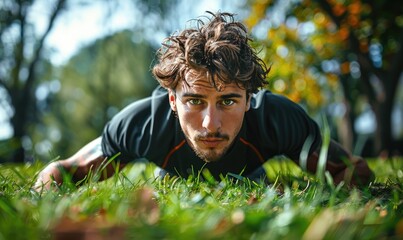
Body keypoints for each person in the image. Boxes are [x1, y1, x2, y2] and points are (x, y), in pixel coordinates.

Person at [34, 12, 374, 191]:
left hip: (253, 173)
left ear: (249, 99)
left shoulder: (276, 118)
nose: (210, 124)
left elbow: (355, 170)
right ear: (171, 100)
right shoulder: (142, 125)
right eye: (195, 101)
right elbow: (60, 172)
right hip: (170, 171)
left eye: (227, 101)